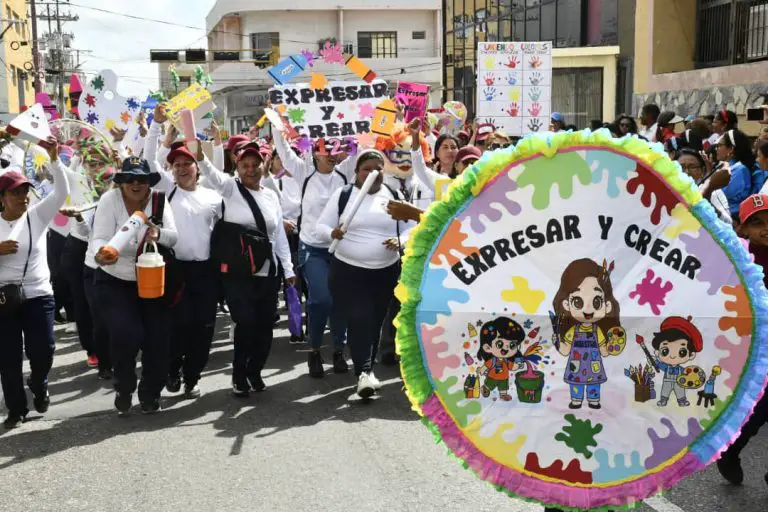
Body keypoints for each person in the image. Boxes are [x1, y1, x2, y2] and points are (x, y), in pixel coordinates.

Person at [199, 140, 295, 396]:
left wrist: (289, 269)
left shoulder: (271, 195)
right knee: (246, 322)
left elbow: (279, 238)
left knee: (265, 326)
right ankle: (239, 374)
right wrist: (199, 154)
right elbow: (209, 171)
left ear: (264, 165)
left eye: (255, 164)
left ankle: (255, 370)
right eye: (245, 165)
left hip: (268, 272)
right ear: (237, 167)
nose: (251, 169)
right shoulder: (230, 188)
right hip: (238, 273)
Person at [144, 110, 223, 399]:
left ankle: (193, 376)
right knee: (178, 326)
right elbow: (149, 159)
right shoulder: (166, 190)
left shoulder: (213, 197)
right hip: (174, 270)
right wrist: (155, 125)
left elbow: (222, 177)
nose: (181, 168)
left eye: (187, 163)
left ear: (197, 167)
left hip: (205, 273)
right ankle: (173, 369)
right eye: (176, 164)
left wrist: (216, 144)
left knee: (203, 328)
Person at [91, 157, 178, 415]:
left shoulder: (159, 200)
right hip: (115, 280)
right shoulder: (110, 201)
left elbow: (174, 236)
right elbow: (98, 238)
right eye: (129, 178)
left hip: (152, 280)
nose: (136, 184)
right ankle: (124, 386)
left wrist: (158, 234)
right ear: (121, 182)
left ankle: (150, 393)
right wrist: (102, 253)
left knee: (158, 339)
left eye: (141, 178)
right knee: (126, 334)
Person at [316, 150, 402, 398]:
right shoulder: (343, 195)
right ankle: (363, 372)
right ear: (357, 172)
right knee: (359, 316)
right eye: (367, 168)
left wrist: (400, 240)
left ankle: (368, 369)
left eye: (379, 168)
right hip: (349, 270)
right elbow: (320, 226)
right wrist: (332, 233)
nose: (373, 173)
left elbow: (409, 229)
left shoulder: (393, 195)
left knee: (375, 321)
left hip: (385, 271)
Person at [0, 138, 69, 429]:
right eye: (16, 192)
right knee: (8, 357)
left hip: (39, 294)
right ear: (2, 197)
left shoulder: (38, 216)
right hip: (4, 299)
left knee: (44, 349)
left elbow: (62, 192)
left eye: (25, 190)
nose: (23, 196)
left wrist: (55, 159)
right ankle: (16, 409)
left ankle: (39, 382)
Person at [274, 131, 356, 378]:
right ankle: (314, 349)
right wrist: (277, 122)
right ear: (314, 152)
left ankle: (339, 351)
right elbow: (284, 151)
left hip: (341, 249)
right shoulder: (303, 173)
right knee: (321, 299)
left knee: (340, 301)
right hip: (312, 248)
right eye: (325, 150)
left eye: (335, 149)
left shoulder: (345, 172)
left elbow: (365, 143)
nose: (331, 155)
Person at [716, 194, 768, 488]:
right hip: (752, 352)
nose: (766, 228)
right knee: (758, 412)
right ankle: (731, 450)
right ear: (743, 229)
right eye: (758, 223)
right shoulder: (740, 259)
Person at [676, 148, 731, 223]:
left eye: (692, 167)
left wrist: (707, 197)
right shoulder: (668, 190)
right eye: (681, 167)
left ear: (702, 170)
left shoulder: (714, 191)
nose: (687, 171)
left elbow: (728, 223)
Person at [716, 129, 757, 217]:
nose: (717, 149)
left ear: (731, 149)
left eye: (720, 145)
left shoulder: (739, 169)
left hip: (731, 216)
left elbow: (722, 195)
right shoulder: (725, 166)